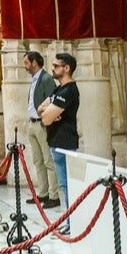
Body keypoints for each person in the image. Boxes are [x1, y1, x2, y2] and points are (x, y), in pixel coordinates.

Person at [38, 52, 80, 215]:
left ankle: (72, 221)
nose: (52, 69)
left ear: (67, 68)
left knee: (67, 185)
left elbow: (47, 119)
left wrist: (47, 114)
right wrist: (46, 113)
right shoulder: (59, 89)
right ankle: (69, 219)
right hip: (55, 141)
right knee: (64, 185)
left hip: (64, 142)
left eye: (56, 66)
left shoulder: (69, 90)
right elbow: (40, 109)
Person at [22, 50, 61, 209]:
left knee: (48, 160)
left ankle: (54, 195)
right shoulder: (34, 79)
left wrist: (46, 121)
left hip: (42, 124)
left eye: (26, 63)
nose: (25, 66)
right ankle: (43, 192)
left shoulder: (46, 79)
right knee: (38, 161)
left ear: (34, 63)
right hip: (32, 123)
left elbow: (51, 101)